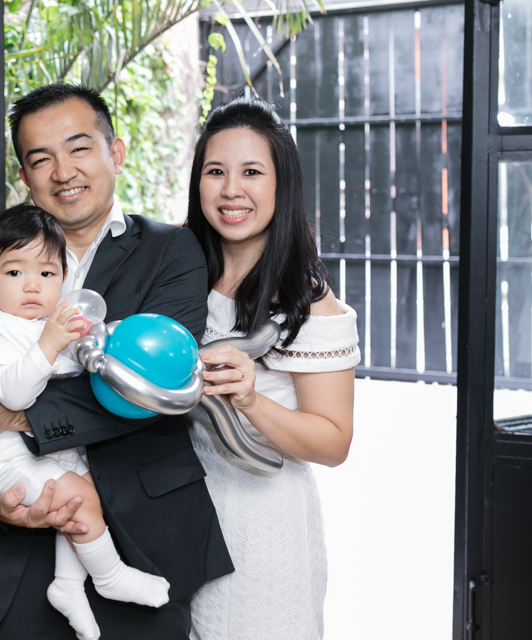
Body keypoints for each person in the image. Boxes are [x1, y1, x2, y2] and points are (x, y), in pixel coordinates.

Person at [0, 83, 233, 640]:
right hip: (20, 539)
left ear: (115, 153)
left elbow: (149, 391)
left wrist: (11, 413)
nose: (63, 172)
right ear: (24, 177)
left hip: (146, 535)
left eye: (78, 148)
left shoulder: (172, 251)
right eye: (40, 159)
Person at [184, 97, 359, 640]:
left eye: (252, 172)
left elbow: (333, 442)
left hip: (264, 535)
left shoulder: (308, 302)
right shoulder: (178, 275)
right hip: (181, 526)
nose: (231, 190)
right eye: (216, 171)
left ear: (283, 185)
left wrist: (251, 400)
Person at [0, 204, 172, 640]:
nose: (32, 286)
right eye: (14, 273)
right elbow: (12, 395)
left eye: (46, 273)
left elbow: (81, 362)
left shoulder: (45, 321)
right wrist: (50, 343)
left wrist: (100, 335)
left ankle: (68, 584)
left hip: (52, 454)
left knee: (82, 498)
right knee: (78, 496)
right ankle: (109, 576)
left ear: (64, 277)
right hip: (7, 462)